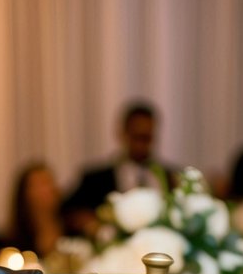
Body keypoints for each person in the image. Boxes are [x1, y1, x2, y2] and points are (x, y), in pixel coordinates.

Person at [61, 101, 176, 237]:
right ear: (123, 134)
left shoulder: (171, 178)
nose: (140, 145)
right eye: (136, 137)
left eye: (146, 138)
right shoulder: (95, 180)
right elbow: (67, 212)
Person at [6, 161, 64, 260]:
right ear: (26, 194)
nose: (49, 188)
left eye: (50, 182)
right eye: (42, 184)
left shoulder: (73, 226)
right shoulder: (16, 241)